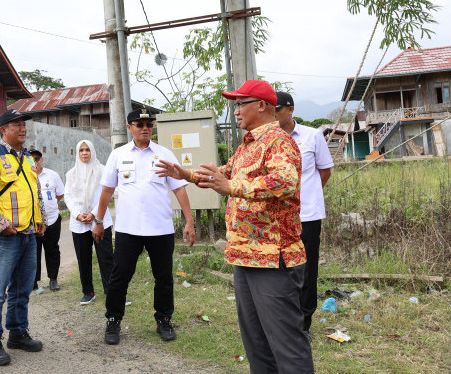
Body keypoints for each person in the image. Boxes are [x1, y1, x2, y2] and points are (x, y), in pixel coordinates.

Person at [157, 80, 314, 373]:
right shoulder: (247, 146)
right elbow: (223, 175)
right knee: (256, 343)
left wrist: (232, 186)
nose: (236, 111)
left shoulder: (279, 141)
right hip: (244, 256)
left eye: (241, 104)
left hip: (273, 259)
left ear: (262, 105)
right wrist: (187, 174)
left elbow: (284, 181)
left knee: (286, 344)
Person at [93, 108, 195, 345]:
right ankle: (113, 321)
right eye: (139, 124)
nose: (145, 128)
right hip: (129, 230)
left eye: (149, 124)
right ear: (129, 128)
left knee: (164, 277)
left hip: (161, 230)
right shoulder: (117, 155)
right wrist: (99, 221)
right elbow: (107, 190)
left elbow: (179, 188)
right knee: (119, 277)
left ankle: (164, 320)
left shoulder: (164, 154)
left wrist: (189, 221)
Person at [0, 108, 47, 367]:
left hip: (28, 233)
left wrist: (41, 219)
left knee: (22, 289)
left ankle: (17, 333)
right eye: (16, 124)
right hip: (3, 235)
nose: (22, 128)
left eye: (23, 124)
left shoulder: (28, 158)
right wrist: (0, 223)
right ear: (2, 130)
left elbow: (35, 190)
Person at [275, 91, 333, 336]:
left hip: (307, 216)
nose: (273, 115)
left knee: (307, 271)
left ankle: (304, 322)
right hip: (277, 219)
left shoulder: (312, 136)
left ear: (290, 109)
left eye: (276, 110)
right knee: (279, 270)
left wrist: (306, 196)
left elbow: (325, 171)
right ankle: (283, 320)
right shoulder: (268, 140)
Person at [64, 140, 114, 305]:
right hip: (79, 223)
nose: (84, 153)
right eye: (81, 150)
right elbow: (68, 196)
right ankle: (88, 292)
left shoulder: (103, 171)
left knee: (106, 257)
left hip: (100, 221)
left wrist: (93, 214)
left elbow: (105, 193)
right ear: (77, 153)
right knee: (83, 259)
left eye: (87, 150)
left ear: (92, 151)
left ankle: (112, 291)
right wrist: (78, 215)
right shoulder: (71, 174)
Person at [31, 149, 64, 292]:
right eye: (31, 159)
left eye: (37, 158)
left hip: (52, 219)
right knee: (33, 252)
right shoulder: (25, 176)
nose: (34, 162)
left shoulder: (52, 175)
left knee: (52, 250)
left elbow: (60, 195)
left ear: (41, 160)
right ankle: (33, 281)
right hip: (33, 222)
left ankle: (53, 279)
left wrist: (48, 207)